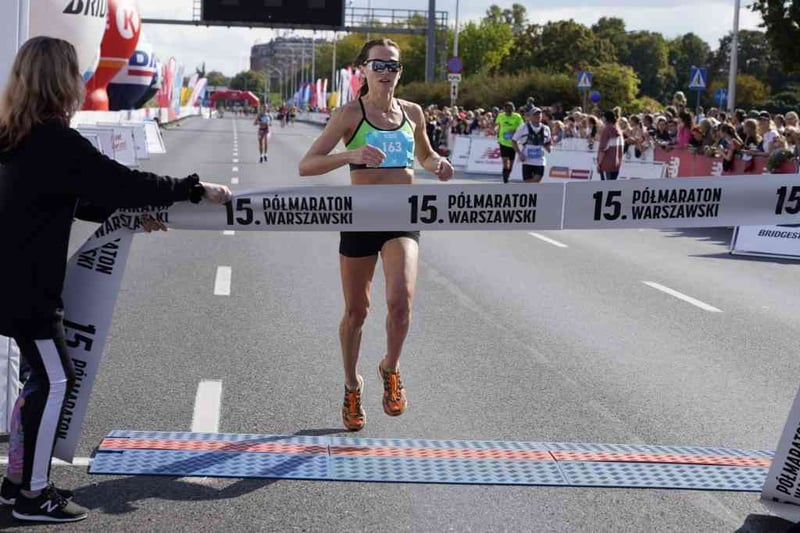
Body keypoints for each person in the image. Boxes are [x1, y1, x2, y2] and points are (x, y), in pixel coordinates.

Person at [0, 36, 232, 523]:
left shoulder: (13, 135)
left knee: (39, 380)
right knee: (55, 380)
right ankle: (33, 497)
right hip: (27, 289)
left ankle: (16, 483)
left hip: (12, 282)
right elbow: (121, 182)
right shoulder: (55, 140)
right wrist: (191, 189)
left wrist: (130, 213)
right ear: (62, 81)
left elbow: (68, 197)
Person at [298, 38, 453, 432]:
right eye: (378, 65)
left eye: (393, 66)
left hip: (402, 217)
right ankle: (352, 385)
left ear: (400, 72)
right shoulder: (350, 114)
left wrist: (438, 163)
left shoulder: (413, 112)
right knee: (357, 312)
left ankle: (390, 367)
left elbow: (424, 155)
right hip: (361, 218)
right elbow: (307, 164)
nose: (386, 72)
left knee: (401, 303)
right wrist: (350, 155)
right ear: (363, 70)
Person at [511, 107, 552, 183]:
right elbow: (514, 141)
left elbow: (548, 141)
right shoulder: (523, 127)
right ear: (530, 116)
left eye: (539, 114)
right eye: (535, 114)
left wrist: (548, 147)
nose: (537, 116)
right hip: (527, 159)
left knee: (537, 179)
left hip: (540, 160)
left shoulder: (546, 128)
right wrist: (519, 153)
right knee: (527, 182)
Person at [494, 101, 523, 183]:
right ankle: (505, 180)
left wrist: (515, 130)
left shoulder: (517, 117)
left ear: (513, 109)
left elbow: (522, 127)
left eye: (511, 109)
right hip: (503, 142)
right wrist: (497, 133)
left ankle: (507, 175)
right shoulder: (500, 116)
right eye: (507, 110)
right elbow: (498, 126)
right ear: (504, 109)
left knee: (511, 164)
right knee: (505, 162)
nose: (509, 111)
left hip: (513, 143)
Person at [597, 110, 623, 180]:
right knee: (612, 185)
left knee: (606, 185)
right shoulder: (618, 129)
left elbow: (603, 149)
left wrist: (599, 163)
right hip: (616, 164)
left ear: (606, 118)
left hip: (606, 164)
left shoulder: (607, 130)